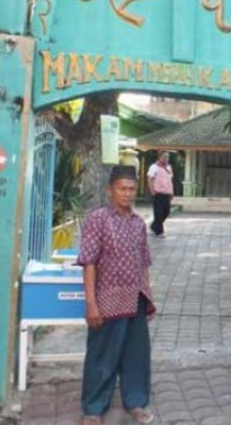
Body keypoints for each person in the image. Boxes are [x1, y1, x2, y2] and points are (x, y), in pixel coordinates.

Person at [77, 166, 155, 425]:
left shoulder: (138, 224)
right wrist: (91, 303)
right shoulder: (98, 219)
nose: (127, 194)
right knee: (102, 355)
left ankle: (136, 402)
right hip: (107, 300)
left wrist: (149, 297)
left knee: (136, 355)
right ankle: (93, 409)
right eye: (122, 188)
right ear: (110, 190)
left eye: (132, 189)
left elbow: (143, 262)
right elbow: (89, 262)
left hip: (136, 299)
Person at [147, 151, 173, 237]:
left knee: (166, 212)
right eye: (164, 156)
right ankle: (159, 231)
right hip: (158, 193)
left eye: (167, 157)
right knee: (159, 213)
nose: (166, 158)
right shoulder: (154, 167)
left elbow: (170, 181)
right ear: (159, 157)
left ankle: (154, 226)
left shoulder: (168, 167)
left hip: (167, 193)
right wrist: (152, 191)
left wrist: (171, 192)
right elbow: (150, 179)